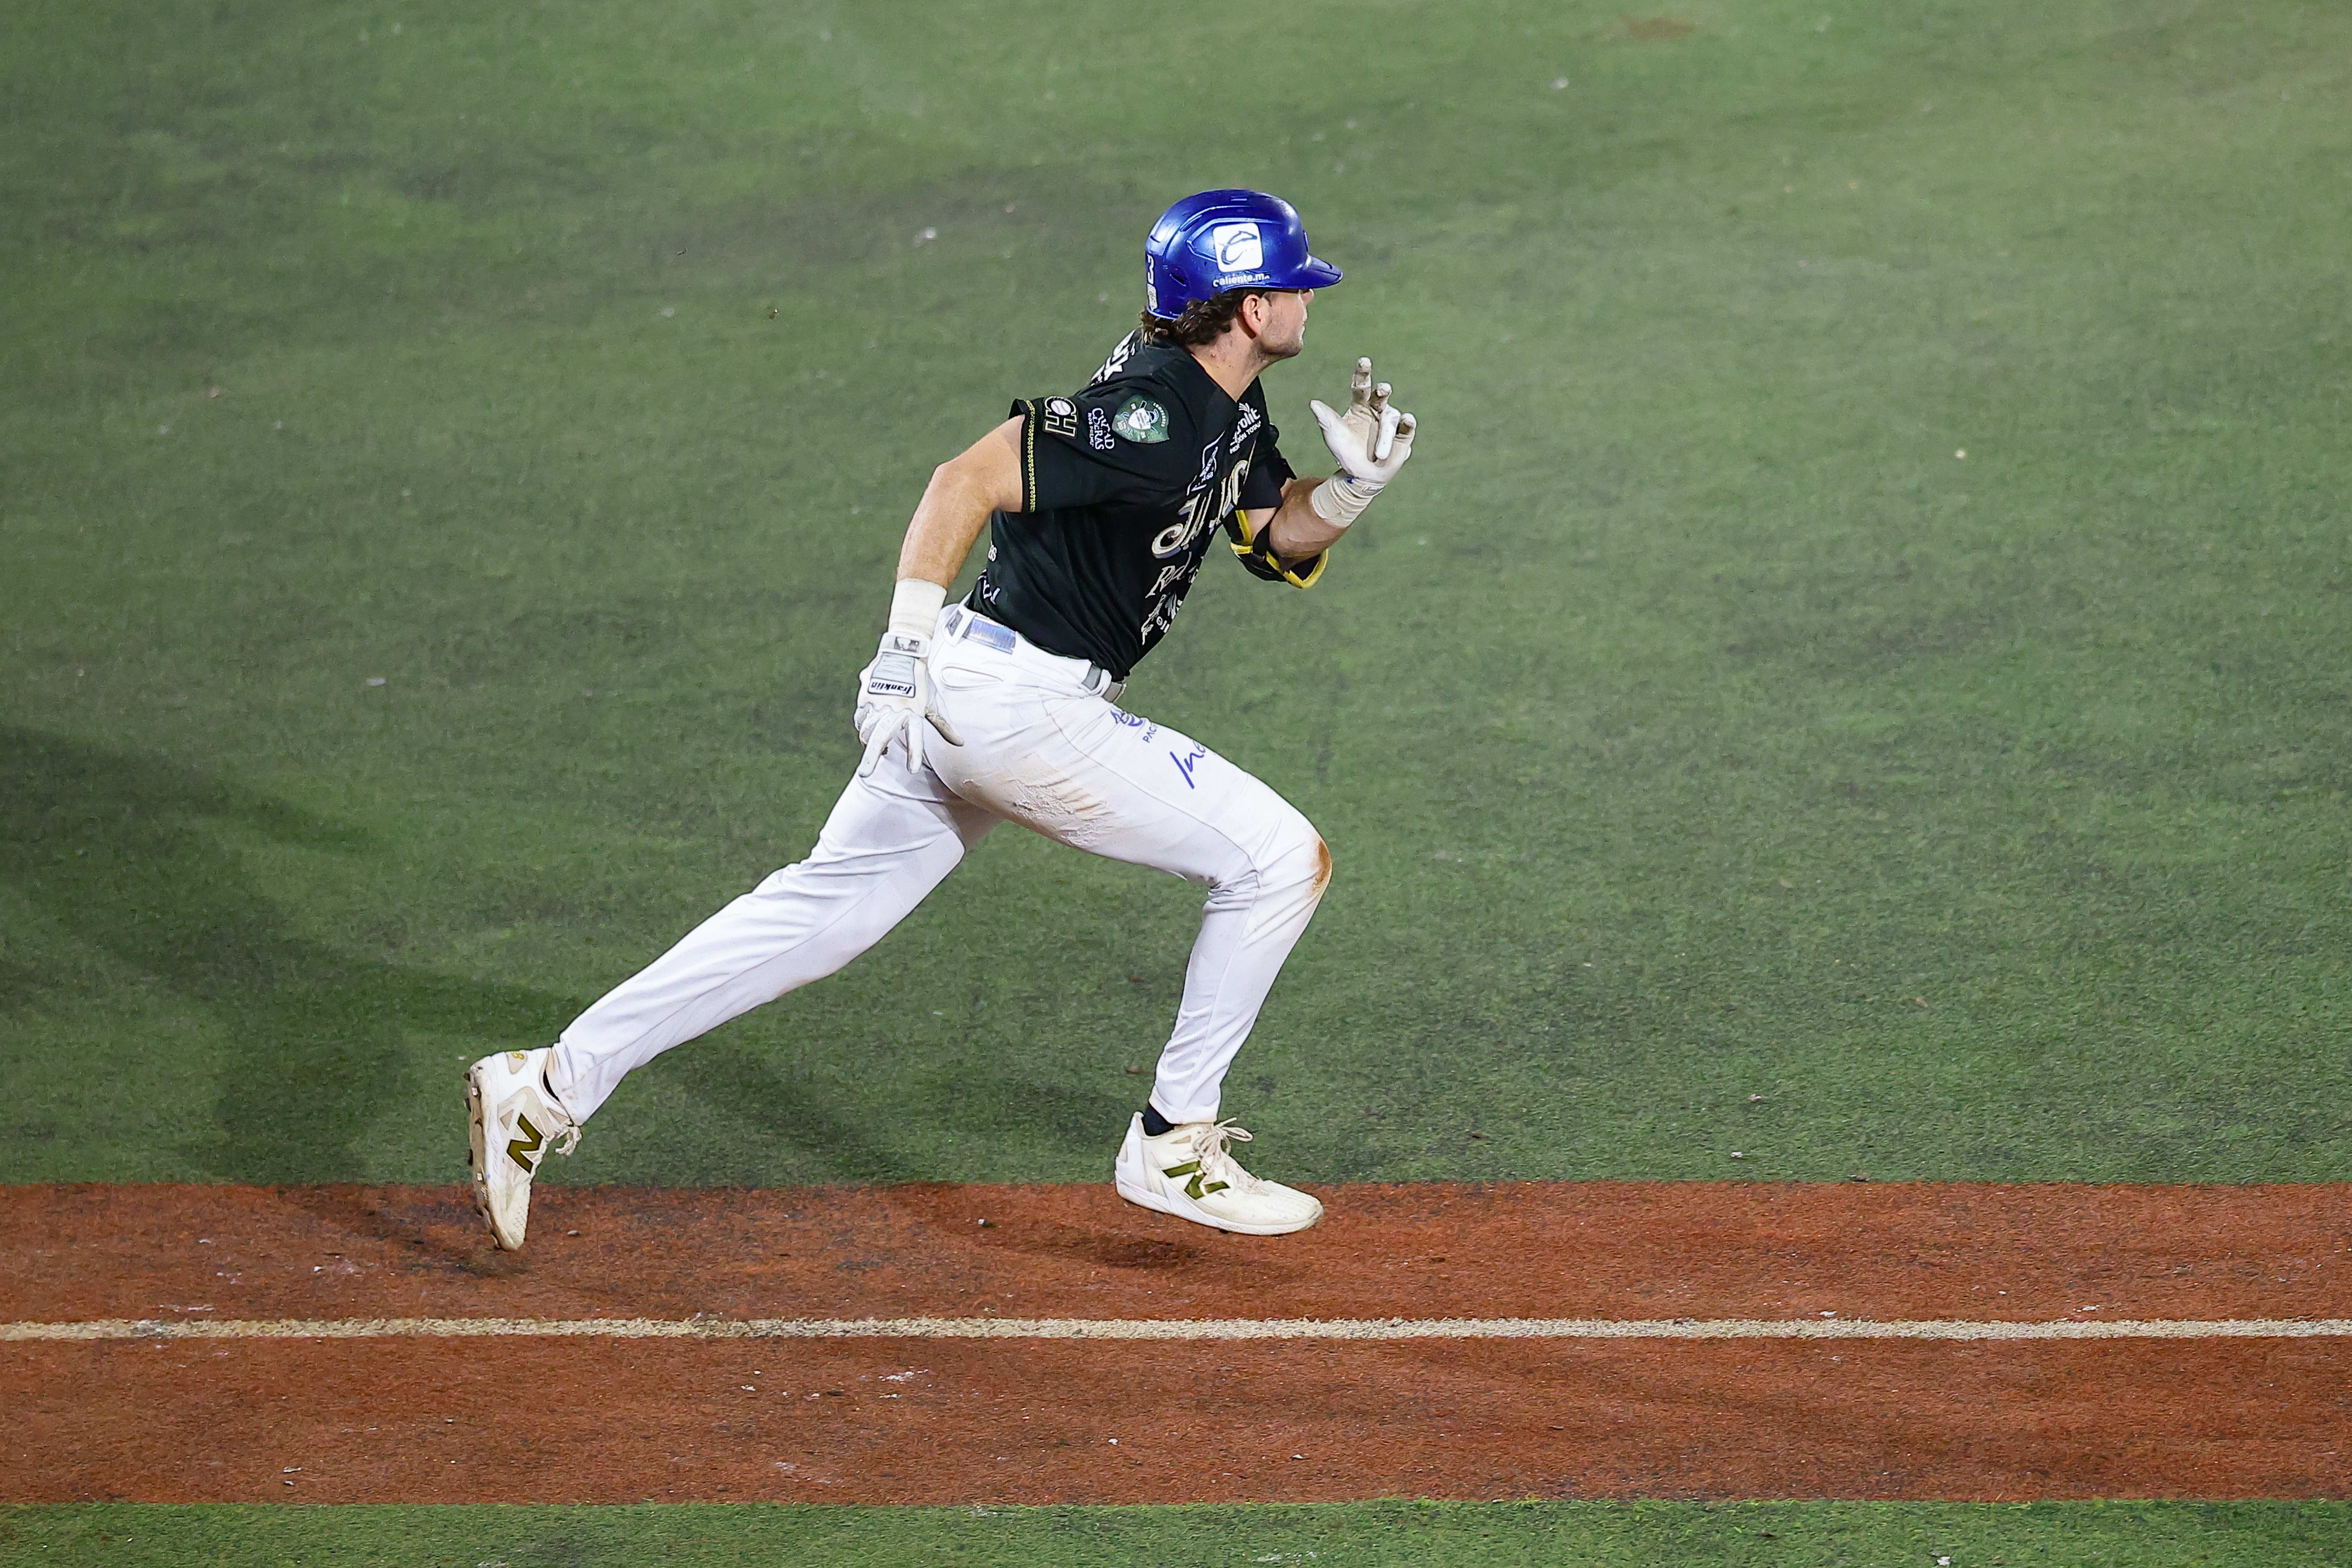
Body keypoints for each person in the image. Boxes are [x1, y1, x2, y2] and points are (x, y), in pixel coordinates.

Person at [465, 188, 1418, 1249]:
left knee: (820, 917)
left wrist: (1351, 491)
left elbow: (1266, 532)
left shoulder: (1224, 406)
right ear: (1246, 308)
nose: (1305, 296)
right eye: (1291, 281)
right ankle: (1172, 1139)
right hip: (1015, 706)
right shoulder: (1149, 410)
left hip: (978, 698)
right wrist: (899, 646)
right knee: (1280, 860)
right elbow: (962, 479)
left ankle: (546, 1086)